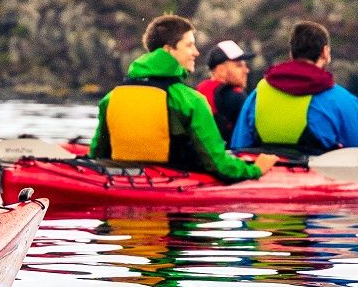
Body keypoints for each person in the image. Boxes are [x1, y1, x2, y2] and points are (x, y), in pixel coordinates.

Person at [89, 14, 267, 180]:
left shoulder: (111, 97)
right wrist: (256, 170)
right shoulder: (190, 100)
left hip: (124, 181)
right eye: (189, 45)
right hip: (174, 191)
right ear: (168, 49)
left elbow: (96, 155)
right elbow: (218, 164)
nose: (196, 52)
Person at [229, 19, 358, 158]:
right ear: (325, 52)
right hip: (316, 177)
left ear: (292, 53)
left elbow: (238, 148)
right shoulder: (341, 99)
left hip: (266, 176)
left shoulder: (257, 94)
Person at [202, 39, 252, 133]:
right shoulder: (237, 97)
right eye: (239, 66)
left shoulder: (198, 94)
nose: (246, 70)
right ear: (221, 70)